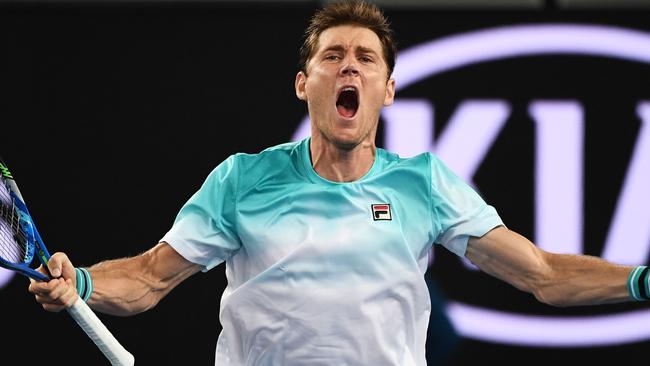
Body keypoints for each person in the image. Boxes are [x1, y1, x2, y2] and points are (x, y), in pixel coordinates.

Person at [29, 1, 648, 365]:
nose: (349, 64)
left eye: (366, 58)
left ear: (387, 89)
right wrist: (79, 283)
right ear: (305, 84)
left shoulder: (424, 183)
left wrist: (641, 280)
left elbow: (541, 275)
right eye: (332, 56)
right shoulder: (243, 178)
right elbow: (147, 278)